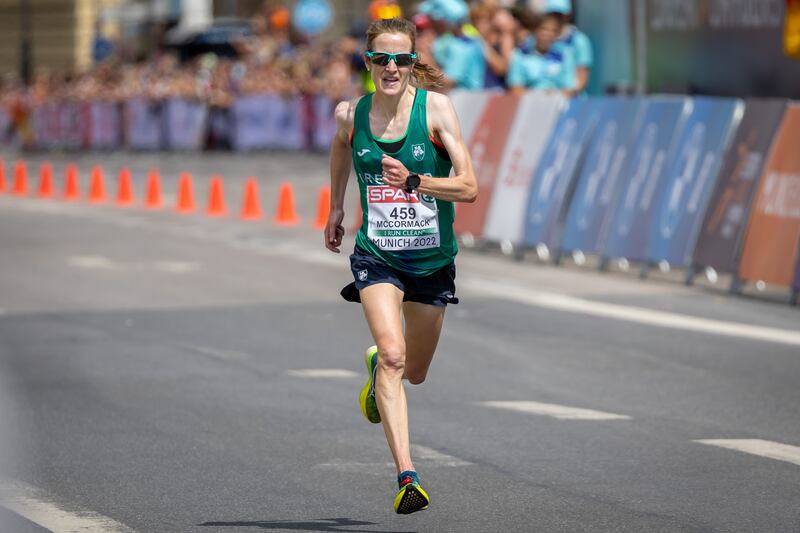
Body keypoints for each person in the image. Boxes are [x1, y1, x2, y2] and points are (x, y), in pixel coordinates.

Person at [324, 17, 477, 515]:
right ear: (368, 61)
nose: (391, 68)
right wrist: (336, 206)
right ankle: (407, 476)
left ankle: (378, 369)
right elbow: (341, 146)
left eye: (402, 59)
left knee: (415, 372)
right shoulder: (351, 114)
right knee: (394, 356)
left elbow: (469, 187)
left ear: (413, 62)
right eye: (381, 58)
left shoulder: (436, 110)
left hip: (432, 261)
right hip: (378, 254)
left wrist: (416, 181)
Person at [507, 12, 573, 93]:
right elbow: (515, 87)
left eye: (553, 31)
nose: (548, 34)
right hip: (529, 99)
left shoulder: (564, 55)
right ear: (535, 31)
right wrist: (537, 97)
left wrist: (555, 97)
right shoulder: (520, 54)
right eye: (544, 29)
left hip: (557, 99)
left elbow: (569, 87)